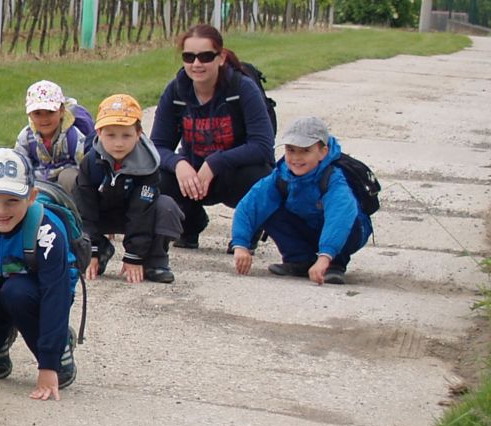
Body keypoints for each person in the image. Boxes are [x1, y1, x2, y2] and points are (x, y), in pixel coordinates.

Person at [0, 147, 77, 400]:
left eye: (12, 201)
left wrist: (48, 364)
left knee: (16, 291)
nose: (1, 210)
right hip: (1, 282)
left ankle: (59, 345)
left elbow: (56, 295)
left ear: (31, 197)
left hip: (39, 293)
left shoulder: (47, 231)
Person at [150, 24, 274, 249]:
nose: (196, 64)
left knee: (261, 176)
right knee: (155, 177)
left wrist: (216, 162)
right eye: (189, 57)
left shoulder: (242, 88)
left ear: (221, 57)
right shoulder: (176, 91)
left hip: (234, 173)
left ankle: (247, 231)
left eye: (206, 56)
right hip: (194, 178)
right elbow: (157, 146)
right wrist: (179, 164)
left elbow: (263, 145)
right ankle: (188, 225)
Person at [231, 116, 373, 286]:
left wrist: (325, 257)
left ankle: (336, 264)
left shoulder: (334, 178)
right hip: (309, 228)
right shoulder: (281, 175)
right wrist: (240, 245)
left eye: (305, 151)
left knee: (351, 218)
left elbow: (340, 219)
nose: (296, 158)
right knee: (269, 208)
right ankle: (300, 260)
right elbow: (250, 206)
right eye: (291, 150)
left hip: (345, 232)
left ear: (323, 152)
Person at [75, 94, 183, 285]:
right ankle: (100, 251)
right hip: (103, 213)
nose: (118, 143)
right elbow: (85, 208)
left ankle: (155, 260)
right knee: (71, 207)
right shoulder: (90, 162)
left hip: (137, 215)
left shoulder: (149, 164)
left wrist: (134, 255)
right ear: (99, 132)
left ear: (139, 133)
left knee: (167, 207)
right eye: (110, 135)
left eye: (126, 135)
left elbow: (141, 210)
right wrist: (89, 249)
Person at [16, 80, 89, 188]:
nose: (44, 119)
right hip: (38, 183)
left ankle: (72, 204)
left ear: (61, 111)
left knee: (69, 177)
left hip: (64, 185)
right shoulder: (26, 136)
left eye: (50, 112)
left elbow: (84, 165)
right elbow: (19, 163)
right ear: (30, 115)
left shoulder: (72, 136)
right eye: (37, 113)